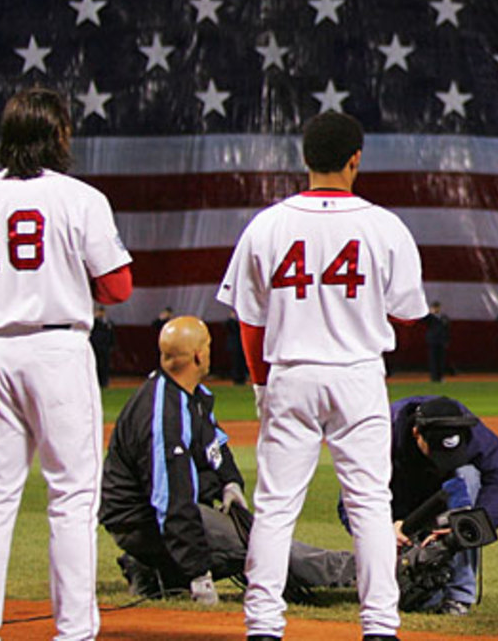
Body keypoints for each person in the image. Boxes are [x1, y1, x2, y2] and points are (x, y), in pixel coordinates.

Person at [0, 87, 133, 641]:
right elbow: (118, 286)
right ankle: (73, 632)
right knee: (70, 498)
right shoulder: (78, 197)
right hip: (57, 349)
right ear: (59, 135)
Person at [217, 111, 427, 641]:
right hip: (357, 374)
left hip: (291, 372)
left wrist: (261, 383)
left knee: (275, 505)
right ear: (356, 159)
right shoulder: (384, 225)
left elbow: (250, 320)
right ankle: (380, 625)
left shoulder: (267, 224)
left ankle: (263, 625)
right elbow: (408, 315)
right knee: (371, 505)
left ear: (305, 158)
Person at [101, 316, 354, 603]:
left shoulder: (189, 395)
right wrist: (199, 575)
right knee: (259, 545)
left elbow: (216, 446)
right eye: (207, 346)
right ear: (198, 355)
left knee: (248, 536)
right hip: (143, 521)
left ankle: (154, 570)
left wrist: (230, 483)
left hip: (157, 515)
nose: (210, 351)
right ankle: (357, 570)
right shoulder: (164, 413)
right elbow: (171, 500)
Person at [340, 395, 498, 616]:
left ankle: (459, 596)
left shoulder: (471, 431)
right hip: (399, 506)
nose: (443, 460)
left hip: (445, 498)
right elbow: (350, 500)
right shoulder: (382, 433)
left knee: (469, 475)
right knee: (417, 595)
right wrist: (382, 532)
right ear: (417, 433)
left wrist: (469, 526)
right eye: (437, 451)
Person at [422, 301, 451, 383]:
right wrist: (429, 313)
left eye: (437, 307)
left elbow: (447, 330)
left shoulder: (443, 317)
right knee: (433, 360)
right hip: (432, 341)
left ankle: (440, 376)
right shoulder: (430, 317)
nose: (436, 309)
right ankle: (434, 377)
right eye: (435, 307)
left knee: (441, 360)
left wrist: (446, 340)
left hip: (441, 341)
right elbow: (424, 320)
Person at [90, 305, 115, 388]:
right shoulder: (94, 322)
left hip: (105, 347)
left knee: (105, 365)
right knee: (97, 364)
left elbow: (112, 335)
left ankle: (105, 382)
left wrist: (111, 345)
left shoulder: (108, 323)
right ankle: (97, 382)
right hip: (96, 346)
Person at [224, 308, 249, 384]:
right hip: (236, 339)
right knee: (237, 357)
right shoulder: (232, 320)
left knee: (241, 358)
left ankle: (242, 376)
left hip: (240, 340)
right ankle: (238, 377)